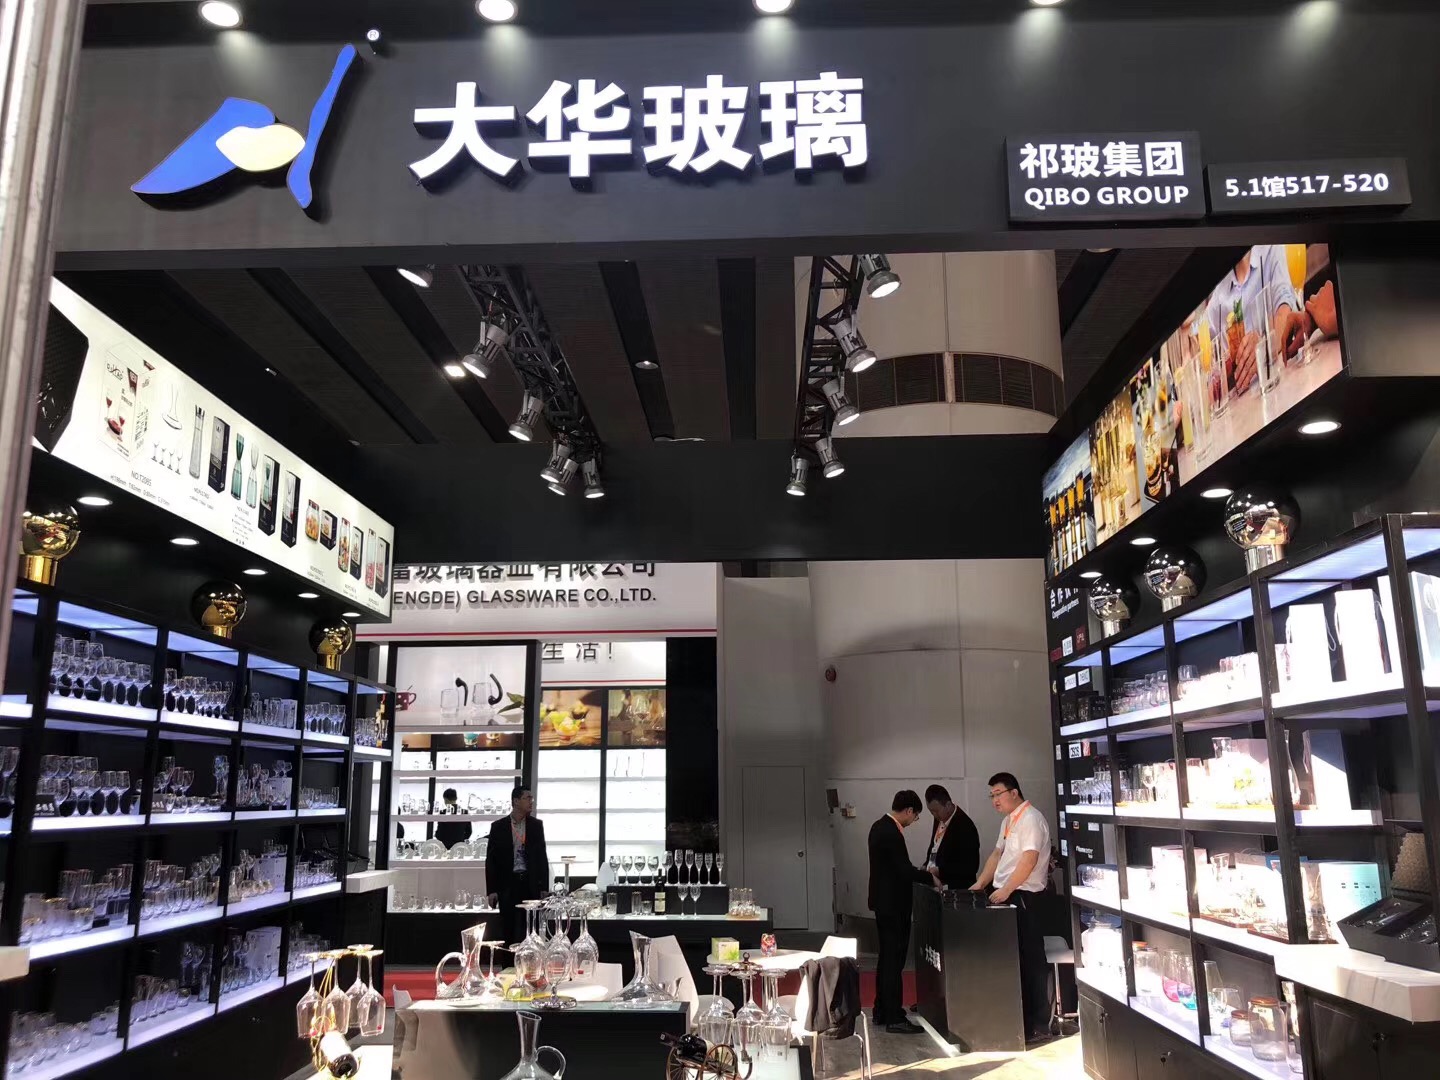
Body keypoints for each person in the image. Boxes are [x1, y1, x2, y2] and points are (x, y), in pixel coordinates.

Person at [971, 772, 1053, 1044]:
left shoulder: (1031, 819)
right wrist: (980, 884)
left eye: (998, 794)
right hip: (1005, 894)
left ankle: (1038, 1024)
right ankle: (1017, 1020)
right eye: (991, 795)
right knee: (1012, 960)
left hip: (1024, 895)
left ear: (1014, 792)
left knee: (1031, 961)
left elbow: (1029, 859)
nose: (994, 800)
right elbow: (997, 854)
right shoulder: (1008, 820)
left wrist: (1006, 890)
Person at [867, 789, 941, 1034]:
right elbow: (903, 871)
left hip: (883, 903)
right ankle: (894, 1016)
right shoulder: (891, 832)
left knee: (886, 959)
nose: (914, 821)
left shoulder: (879, 826)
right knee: (894, 961)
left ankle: (881, 1009)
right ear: (909, 810)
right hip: (893, 906)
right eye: (916, 816)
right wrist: (929, 877)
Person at [485, 786, 549, 946]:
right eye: (527, 798)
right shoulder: (498, 827)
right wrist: (492, 890)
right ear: (516, 801)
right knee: (508, 928)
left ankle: (531, 959)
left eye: (531, 798)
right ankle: (508, 960)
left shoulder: (536, 825)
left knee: (531, 928)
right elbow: (491, 860)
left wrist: (544, 886)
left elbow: (542, 857)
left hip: (530, 882)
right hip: (508, 883)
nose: (531, 801)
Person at [923, 784, 980, 891]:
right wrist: (927, 864)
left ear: (948, 805)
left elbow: (971, 867)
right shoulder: (939, 818)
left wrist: (940, 871)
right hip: (937, 883)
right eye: (931, 811)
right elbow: (935, 845)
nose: (934, 815)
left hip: (958, 889)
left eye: (936, 811)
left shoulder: (966, 827)